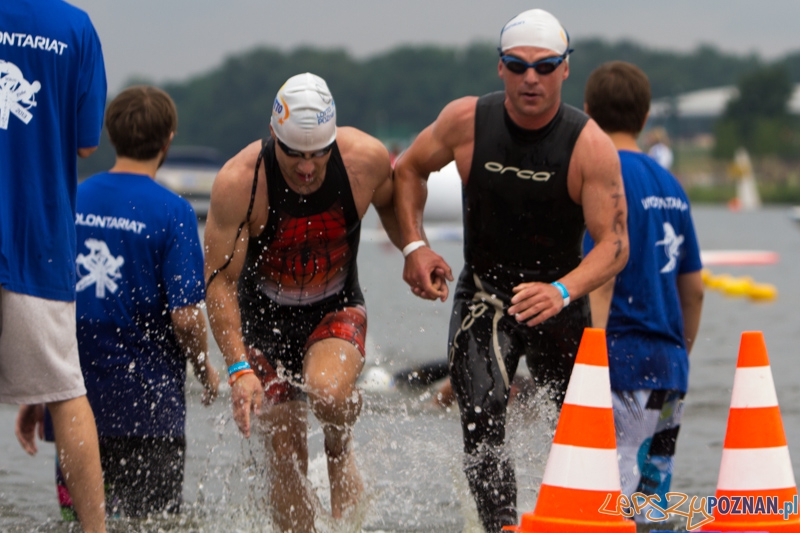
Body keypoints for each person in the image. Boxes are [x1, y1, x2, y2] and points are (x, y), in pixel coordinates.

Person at [394, 8, 629, 532]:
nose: (531, 78)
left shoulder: (588, 145)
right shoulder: (465, 121)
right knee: (481, 414)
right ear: (499, 67)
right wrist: (415, 246)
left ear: (565, 69)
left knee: (580, 425)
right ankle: (501, 526)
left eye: (545, 67)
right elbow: (408, 169)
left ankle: (588, 518)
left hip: (560, 299)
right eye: (517, 65)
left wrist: (563, 290)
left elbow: (615, 245)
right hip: (485, 292)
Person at [204, 72, 402, 532]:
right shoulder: (240, 181)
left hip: (334, 308)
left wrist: (414, 249)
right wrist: (237, 369)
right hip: (263, 325)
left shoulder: (364, 159)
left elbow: (395, 200)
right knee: (284, 448)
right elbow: (219, 285)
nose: (308, 169)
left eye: (318, 154)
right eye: (295, 155)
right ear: (274, 137)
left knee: (330, 396)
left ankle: (339, 441)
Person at [16, 85, 220, 519]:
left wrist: (38, 390)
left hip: (72, 405)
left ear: (110, 135)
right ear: (168, 140)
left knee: (82, 524)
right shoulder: (174, 212)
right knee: (152, 526)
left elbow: (45, 299)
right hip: (149, 408)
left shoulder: (69, 200)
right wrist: (205, 371)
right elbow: (185, 319)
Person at [1, 1, 108, 531]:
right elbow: (87, 140)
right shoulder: (74, 27)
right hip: (37, 235)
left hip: (35, 240)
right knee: (66, 392)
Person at [583, 61, 704, 521]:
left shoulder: (603, 176)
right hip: (670, 364)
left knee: (611, 501)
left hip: (619, 359)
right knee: (651, 500)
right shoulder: (671, 184)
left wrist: (588, 365)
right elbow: (693, 290)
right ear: (646, 114)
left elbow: (602, 276)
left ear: (588, 113)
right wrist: (681, 353)